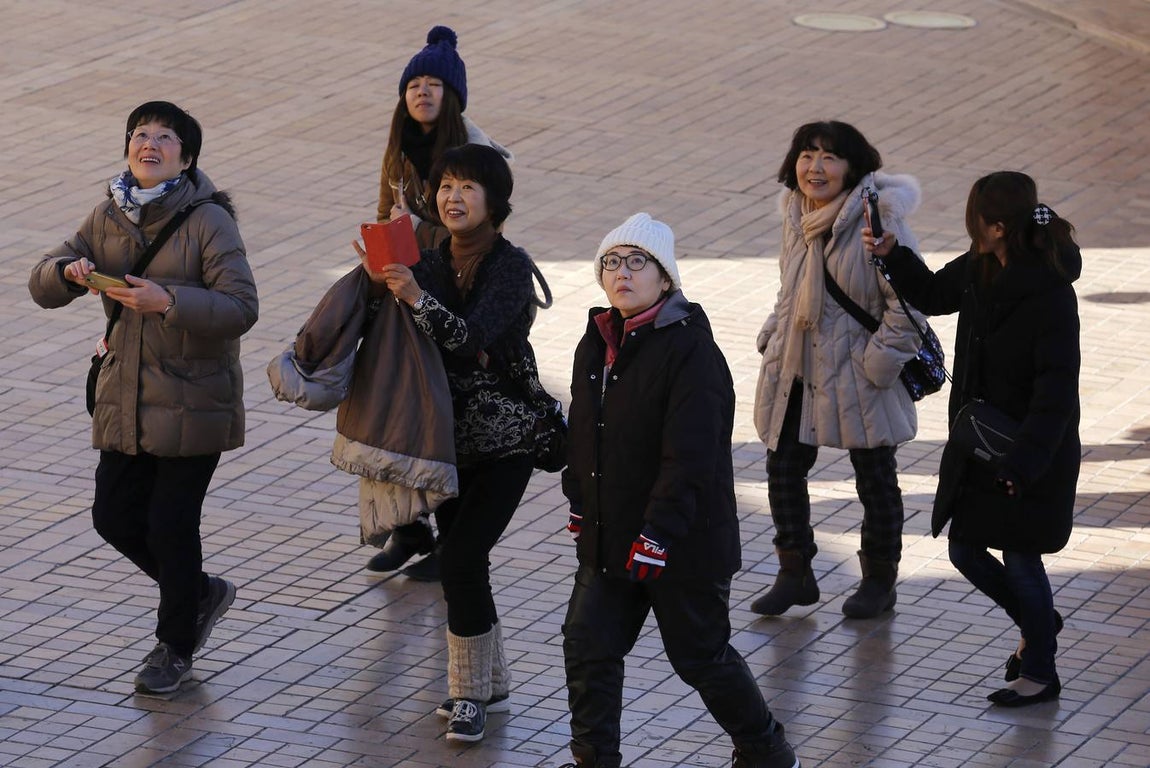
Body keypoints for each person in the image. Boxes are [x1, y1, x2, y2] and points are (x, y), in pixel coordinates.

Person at [27, 101, 258, 694]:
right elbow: (42, 278)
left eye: (164, 137)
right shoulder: (108, 214)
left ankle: (174, 646)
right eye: (139, 135)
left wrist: (169, 302)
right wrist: (67, 273)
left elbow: (241, 308)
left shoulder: (210, 222)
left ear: (187, 155)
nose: (148, 144)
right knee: (113, 516)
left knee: (171, 524)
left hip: (194, 398)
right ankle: (199, 593)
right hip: (125, 395)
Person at [558, 213, 801, 768]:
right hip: (611, 535)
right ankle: (594, 759)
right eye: (612, 262)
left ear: (664, 278)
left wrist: (659, 534)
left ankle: (765, 749)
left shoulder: (691, 351)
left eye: (637, 262)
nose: (623, 273)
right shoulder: (595, 341)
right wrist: (580, 499)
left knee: (699, 657)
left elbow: (691, 456)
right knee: (588, 644)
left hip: (682, 543)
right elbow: (584, 429)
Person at [358, 143, 551, 742]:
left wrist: (414, 294)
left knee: (462, 559)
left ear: (495, 201)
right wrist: (383, 279)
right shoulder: (433, 258)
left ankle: (466, 695)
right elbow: (407, 329)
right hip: (442, 438)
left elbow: (467, 338)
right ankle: (490, 681)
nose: (453, 198)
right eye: (445, 187)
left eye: (467, 187)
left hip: (509, 438)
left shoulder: (511, 266)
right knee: (468, 559)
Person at [865, 171, 1080, 707]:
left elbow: (1055, 397)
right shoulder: (983, 265)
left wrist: (1023, 465)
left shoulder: (1049, 293)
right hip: (983, 443)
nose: (971, 228)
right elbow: (936, 294)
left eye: (976, 219)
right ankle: (1038, 623)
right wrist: (893, 254)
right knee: (964, 547)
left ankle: (1040, 671)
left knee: (1022, 556)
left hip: (1031, 451)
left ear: (999, 226)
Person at [749, 120, 925, 620]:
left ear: (853, 166)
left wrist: (878, 364)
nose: (815, 167)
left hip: (860, 369)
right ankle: (795, 573)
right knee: (783, 468)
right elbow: (791, 286)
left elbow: (908, 304)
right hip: (798, 361)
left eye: (829, 156)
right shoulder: (795, 213)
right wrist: (773, 335)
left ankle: (878, 580)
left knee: (874, 477)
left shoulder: (878, 220)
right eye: (807, 154)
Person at [368, 23, 514, 580]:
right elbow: (387, 212)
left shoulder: (476, 157)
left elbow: (482, 228)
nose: (421, 92)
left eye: (433, 83)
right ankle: (408, 528)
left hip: (450, 294)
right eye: (413, 84)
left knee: (445, 416)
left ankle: (449, 546)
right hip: (404, 287)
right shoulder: (400, 146)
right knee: (390, 405)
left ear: (452, 96)